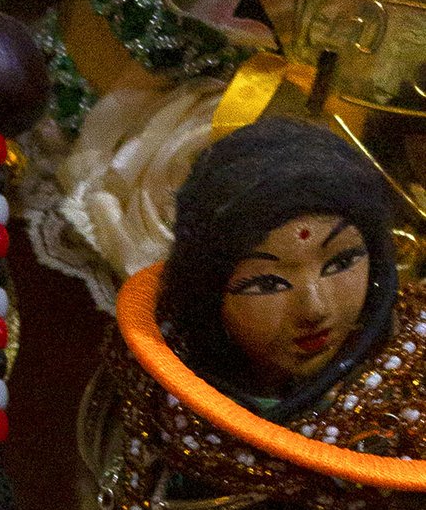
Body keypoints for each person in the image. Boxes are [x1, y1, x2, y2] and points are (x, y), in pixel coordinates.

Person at [159, 121, 398, 415]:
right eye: (267, 284)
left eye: (340, 263)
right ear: (207, 292)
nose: (314, 309)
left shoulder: (404, 379)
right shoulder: (169, 404)